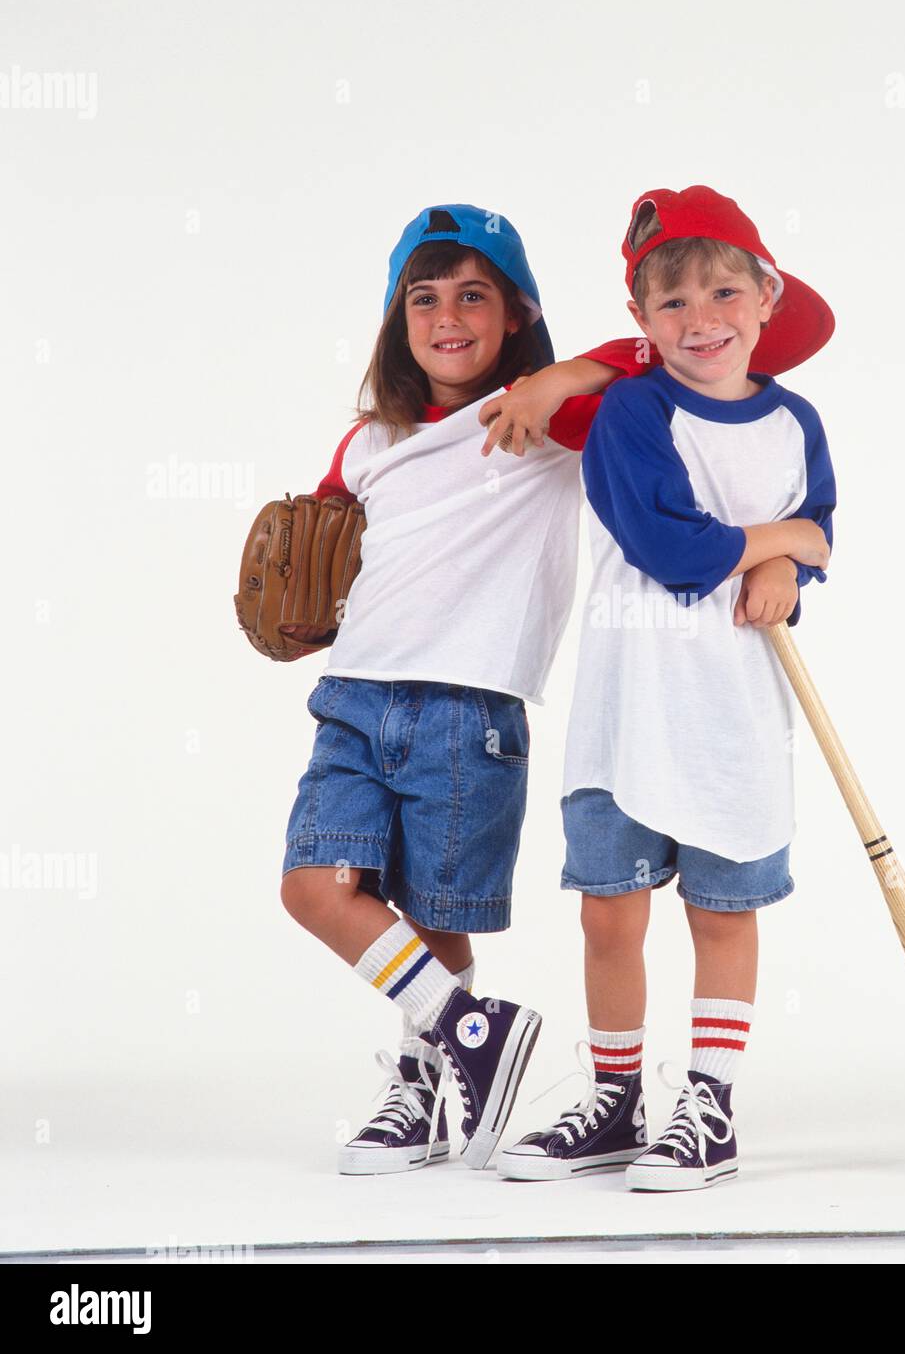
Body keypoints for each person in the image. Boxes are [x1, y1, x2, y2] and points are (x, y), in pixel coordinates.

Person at [279, 203, 641, 1175]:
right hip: (352, 697)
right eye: (424, 298)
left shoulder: (546, 417)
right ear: (400, 320)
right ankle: (470, 1031)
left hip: (466, 703)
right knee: (315, 888)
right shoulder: (369, 440)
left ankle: (428, 1092)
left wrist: (563, 376)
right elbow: (326, 533)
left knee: (433, 914)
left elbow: (664, 359)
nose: (448, 317)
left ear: (517, 312)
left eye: (474, 296)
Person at [497, 186, 836, 1190]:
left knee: (724, 912)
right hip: (626, 702)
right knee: (609, 910)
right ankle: (612, 1098)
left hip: (735, 708)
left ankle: (709, 1106)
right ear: (642, 326)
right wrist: (789, 541)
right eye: (673, 304)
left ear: (766, 298)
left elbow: (819, 517)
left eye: (725, 291)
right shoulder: (634, 412)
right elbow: (670, 547)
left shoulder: (795, 420)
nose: (703, 320)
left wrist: (793, 568)